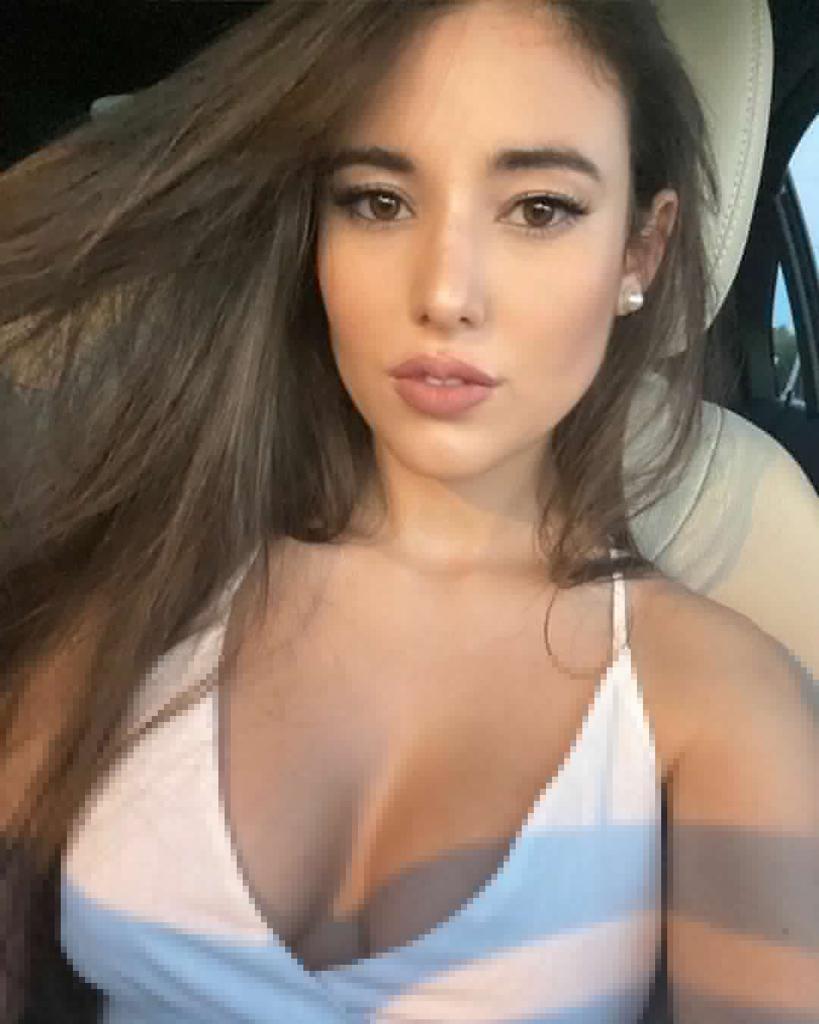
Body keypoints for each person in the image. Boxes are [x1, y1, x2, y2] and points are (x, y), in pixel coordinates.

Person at [1, 1, 816, 1022]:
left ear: (639, 254)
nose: (444, 292)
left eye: (539, 209)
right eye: (379, 201)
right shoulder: (158, 570)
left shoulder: (720, 700)